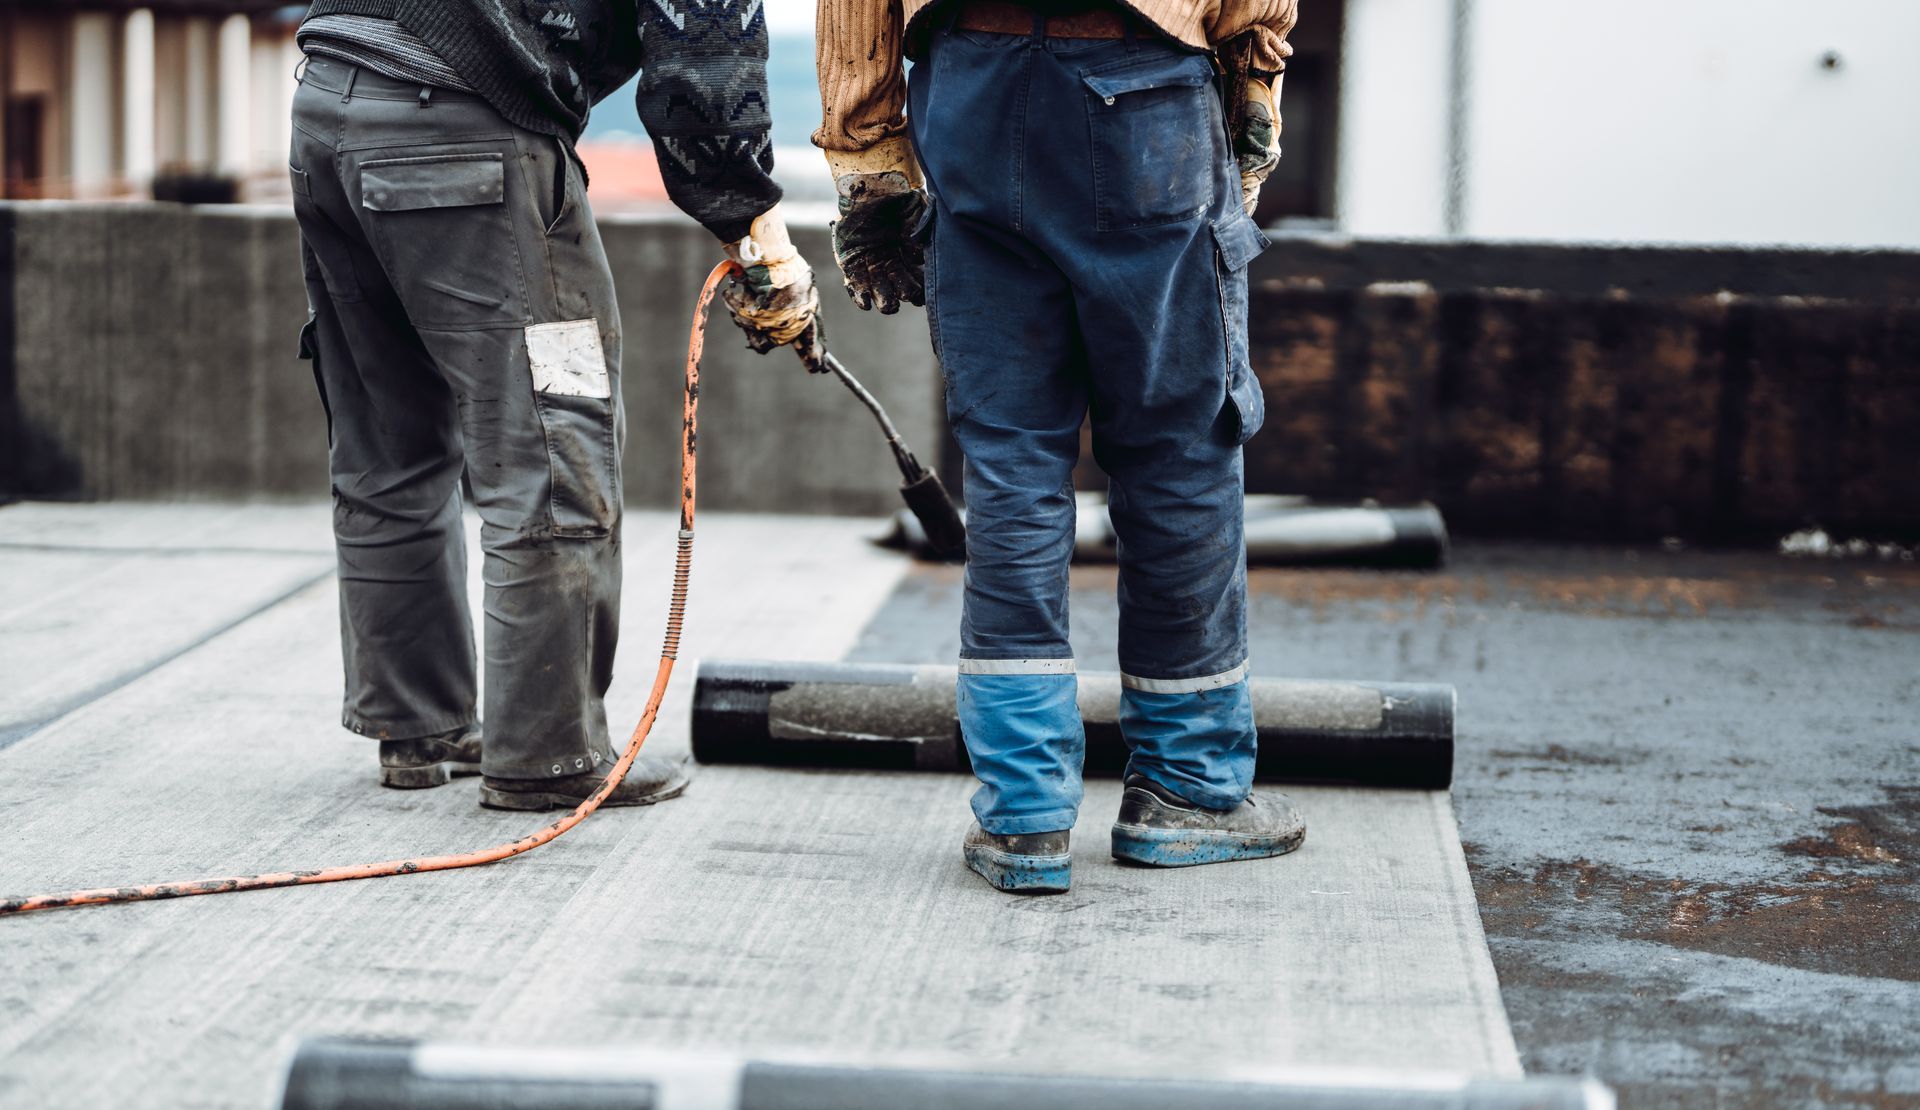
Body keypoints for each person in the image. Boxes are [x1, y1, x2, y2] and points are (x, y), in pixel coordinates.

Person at [817, 0, 1304, 892]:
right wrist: (1254, 86)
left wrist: (869, 164)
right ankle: (1187, 788)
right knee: (1178, 450)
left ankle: (1025, 816)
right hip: (1141, 91)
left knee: (1010, 460)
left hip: (969, 91)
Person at [290, 1, 822, 810]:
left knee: (388, 446)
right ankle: (549, 755)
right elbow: (705, 69)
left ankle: (419, 726)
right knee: (552, 444)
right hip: (463, 139)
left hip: (325, 115)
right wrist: (755, 233)